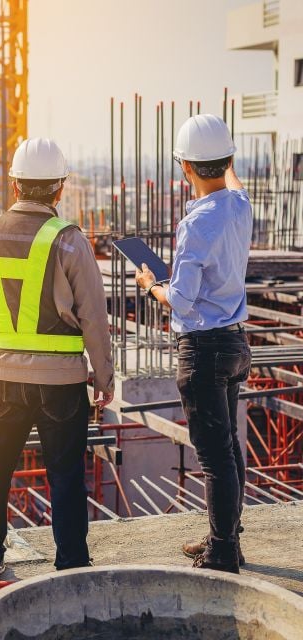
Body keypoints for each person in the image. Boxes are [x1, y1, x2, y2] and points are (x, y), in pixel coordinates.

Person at [0, 138, 115, 580]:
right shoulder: (69, 241)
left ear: (14, 185)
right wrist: (103, 377)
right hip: (61, 382)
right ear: (59, 189)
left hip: (2, 376)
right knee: (65, 475)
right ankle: (70, 565)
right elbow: (94, 318)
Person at [134, 114, 252, 574]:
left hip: (202, 349)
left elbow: (181, 302)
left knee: (216, 455)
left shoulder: (197, 223)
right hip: (235, 343)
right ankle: (226, 538)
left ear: (184, 168)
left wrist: (149, 283)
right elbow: (234, 184)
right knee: (228, 448)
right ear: (227, 161)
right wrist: (226, 160)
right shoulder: (239, 206)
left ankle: (222, 551)